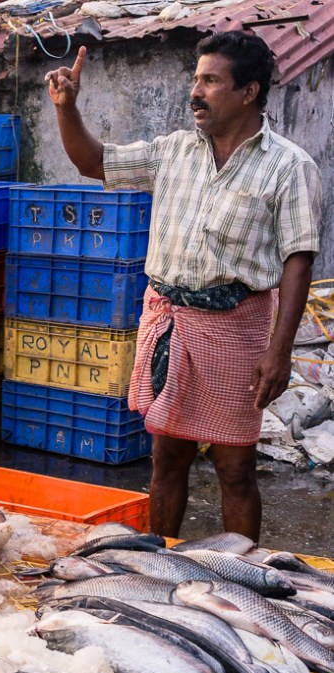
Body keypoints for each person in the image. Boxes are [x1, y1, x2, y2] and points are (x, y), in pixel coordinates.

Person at [46, 33, 321, 542]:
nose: (196, 91)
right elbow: (93, 162)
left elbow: (298, 260)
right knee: (166, 455)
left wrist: (279, 351)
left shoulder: (289, 166)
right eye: (195, 79)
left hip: (237, 329)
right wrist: (67, 109)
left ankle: (241, 574)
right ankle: (159, 561)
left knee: (234, 466)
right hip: (170, 319)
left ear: (248, 91)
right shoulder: (171, 152)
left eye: (211, 81)